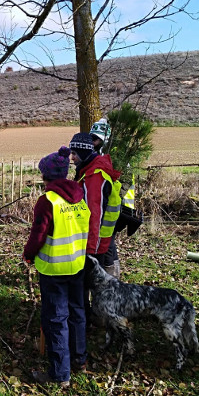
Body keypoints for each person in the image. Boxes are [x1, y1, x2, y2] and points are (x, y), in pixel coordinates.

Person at [23, 146, 91, 386]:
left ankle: (60, 374)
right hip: (78, 265)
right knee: (77, 313)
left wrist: (28, 255)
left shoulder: (47, 200)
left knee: (56, 319)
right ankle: (79, 360)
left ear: (46, 176)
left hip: (54, 270)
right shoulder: (80, 196)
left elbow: (38, 234)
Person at [69, 131, 122, 323]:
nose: (71, 157)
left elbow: (95, 215)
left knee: (90, 283)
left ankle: (91, 319)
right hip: (98, 239)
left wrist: (90, 247)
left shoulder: (94, 176)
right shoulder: (90, 170)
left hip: (96, 241)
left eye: (74, 153)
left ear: (83, 152)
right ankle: (93, 316)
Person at [89, 118, 121, 278]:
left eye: (95, 139)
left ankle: (112, 278)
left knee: (107, 246)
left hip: (110, 214)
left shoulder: (111, 158)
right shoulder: (98, 157)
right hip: (108, 212)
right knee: (109, 246)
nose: (92, 143)